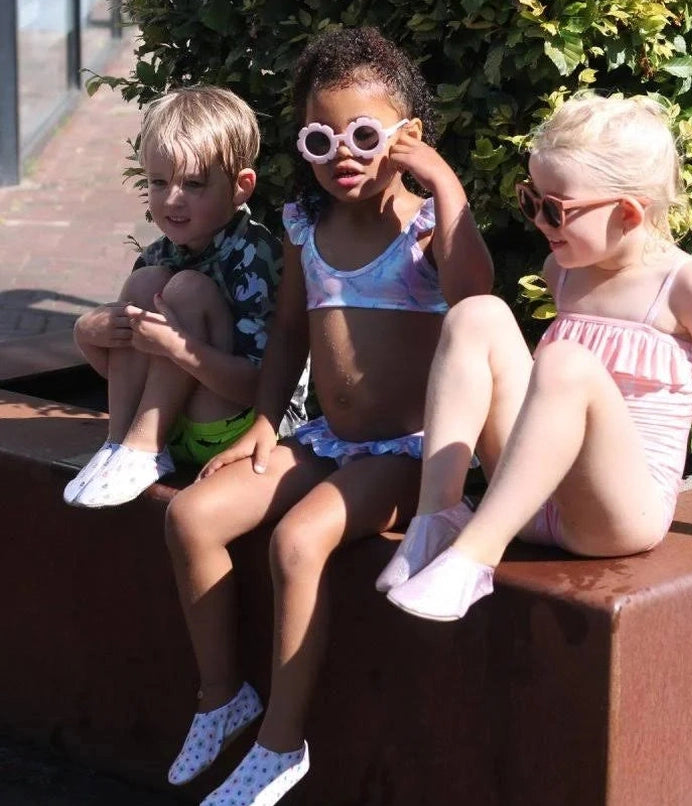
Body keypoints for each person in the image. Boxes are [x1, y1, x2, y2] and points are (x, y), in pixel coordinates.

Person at [163, 27, 493, 806]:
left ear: (407, 137)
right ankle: (222, 695)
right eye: (321, 138)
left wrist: (444, 183)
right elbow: (287, 333)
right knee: (191, 517)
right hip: (325, 439)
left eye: (365, 136)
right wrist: (264, 423)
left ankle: (281, 744)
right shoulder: (306, 228)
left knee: (297, 540)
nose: (342, 154)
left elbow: (475, 293)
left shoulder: (425, 230)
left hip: (409, 455)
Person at [380, 94, 692, 622]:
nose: (540, 221)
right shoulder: (563, 271)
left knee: (565, 363)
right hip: (527, 502)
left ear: (628, 213)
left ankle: (475, 556)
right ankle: (437, 517)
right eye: (531, 200)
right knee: (478, 314)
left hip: (616, 518)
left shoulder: (689, 287)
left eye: (556, 209)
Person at [63, 86, 306, 508]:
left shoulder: (256, 257)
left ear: (241, 187)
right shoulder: (158, 256)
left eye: (193, 183)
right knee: (145, 285)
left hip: (247, 426)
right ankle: (120, 444)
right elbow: (130, 373)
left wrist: (178, 347)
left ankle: (141, 449)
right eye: (159, 182)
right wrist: (87, 336)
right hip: (173, 426)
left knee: (188, 290)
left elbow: (260, 386)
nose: (173, 199)